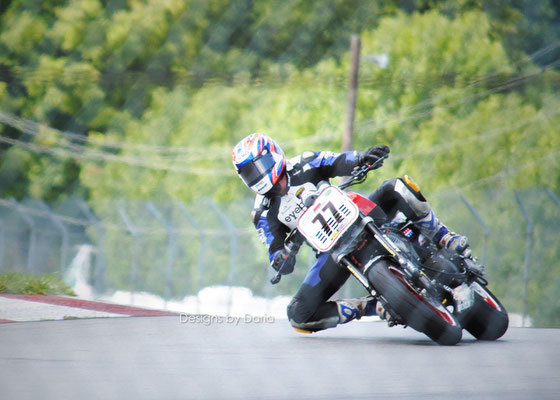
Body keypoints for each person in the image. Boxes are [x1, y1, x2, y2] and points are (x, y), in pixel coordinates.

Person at [232, 133, 472, 333]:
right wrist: (281, 259)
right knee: (297, 315)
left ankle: (444, 237)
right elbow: (274, 250)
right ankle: (372, 307)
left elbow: (338, 161)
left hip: (360, 214)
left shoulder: (304, 162)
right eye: (249, 173)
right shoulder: (262, 213)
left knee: (398, 186)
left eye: (259, 167)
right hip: (333, 252)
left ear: (273, 155)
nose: (258, 176)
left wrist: (363, 158)